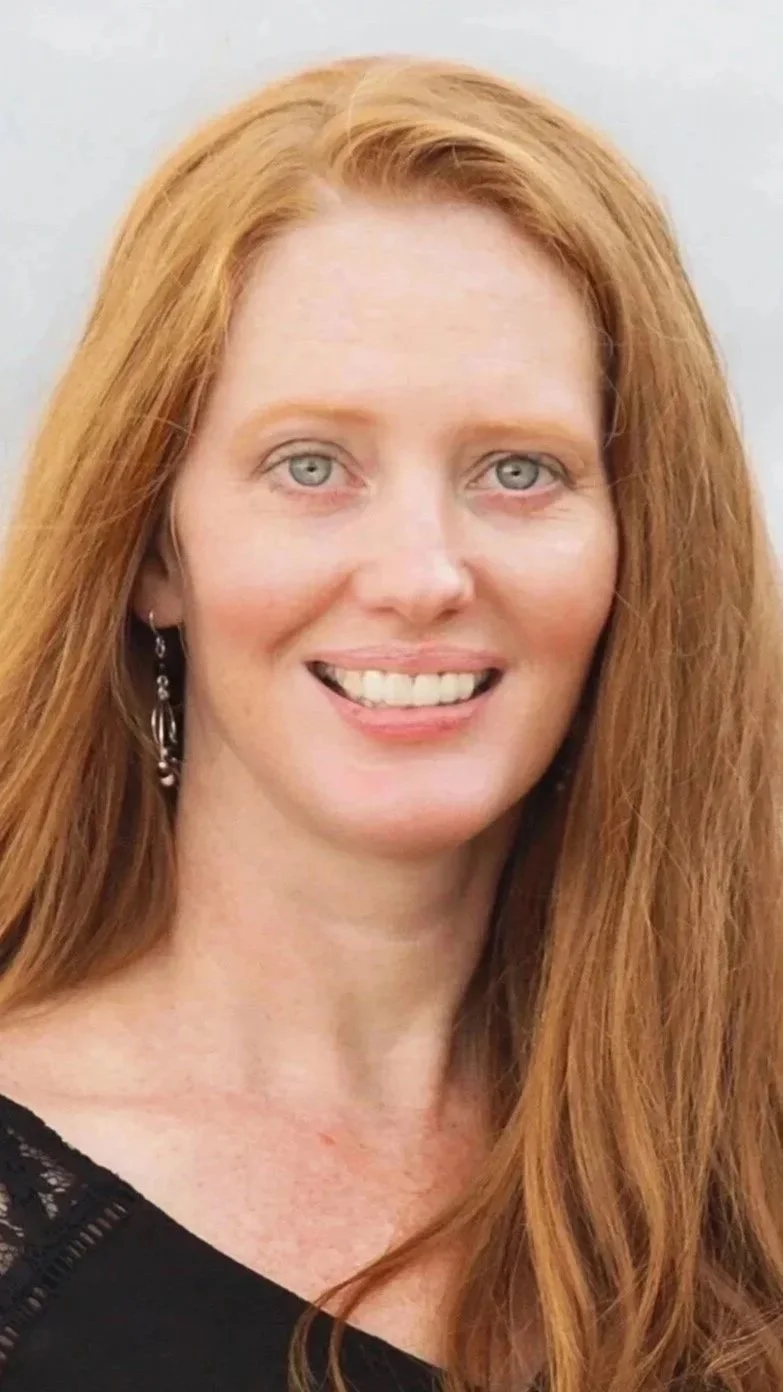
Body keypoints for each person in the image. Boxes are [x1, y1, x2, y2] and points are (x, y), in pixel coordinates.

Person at [0, 50, 779, 1392]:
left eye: (518, 470)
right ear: (154, 553)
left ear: (637, 555)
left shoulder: (744, 1175)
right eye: (311, 466)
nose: (422, 573)